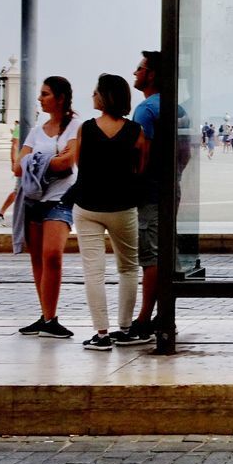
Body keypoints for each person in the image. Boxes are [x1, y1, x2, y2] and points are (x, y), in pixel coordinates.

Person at [66, 74, 149, 351]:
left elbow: (79, 165)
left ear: (103, 97)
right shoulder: (136, 131)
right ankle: (125, 329)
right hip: (123, 206)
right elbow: (141, 167)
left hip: (88, 206)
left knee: (93, 272)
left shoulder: (85, 129)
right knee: (128, 268)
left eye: (95, 91)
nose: (92, 96)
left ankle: (101, 334)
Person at [12, 77, 79, 339]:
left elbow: (68, 162)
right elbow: (18, 166)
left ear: (60, 98)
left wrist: (35, 160)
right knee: (37, 259)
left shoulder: (75, 126)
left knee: (52, 255)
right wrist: (50, 159)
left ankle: (50, 318)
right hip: (33, 200)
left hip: (60, 199)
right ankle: (47, 316)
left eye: (45, 94)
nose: (40, 98)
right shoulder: (36, 131)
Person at [120, 52, 162, 347]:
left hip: (149, 192)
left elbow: (141, 157)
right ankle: (157, 313)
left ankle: (144, 319)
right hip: (168, 189)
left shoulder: (145, 110)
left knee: (150, 256)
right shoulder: (174, 107)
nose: (135, 73)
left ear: (151, 75)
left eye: (140, 68)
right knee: (159, 253)